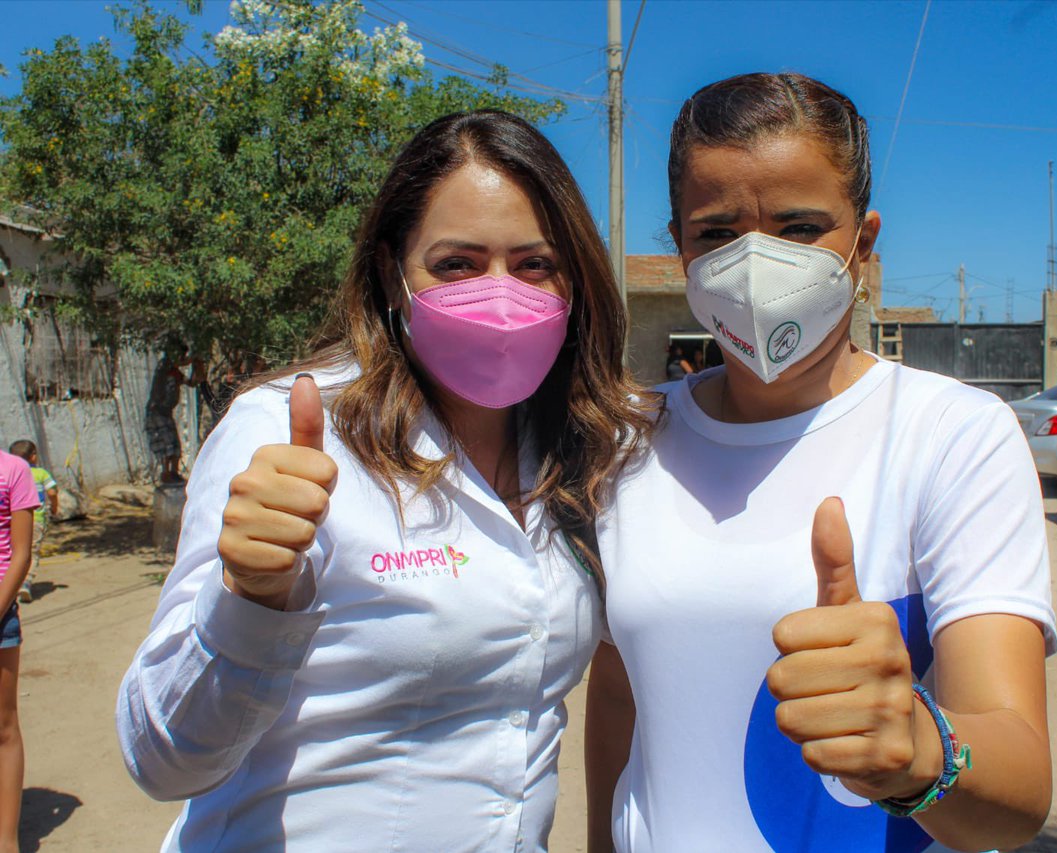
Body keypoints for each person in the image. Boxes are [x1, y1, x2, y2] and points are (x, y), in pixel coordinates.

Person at [117, 110, 652, 852]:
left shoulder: (582, 452)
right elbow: (161, 758)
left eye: (535, 264)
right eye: (457, 264)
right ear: (391, 274)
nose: (501, 297)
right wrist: (249, 598)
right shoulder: (287, 431)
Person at [586, 72, 1056, 853]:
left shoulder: (952, 436)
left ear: (863, 245)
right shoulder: (630, 438)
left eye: (800, 228)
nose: (757, 264)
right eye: (717, 233)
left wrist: (920, 747)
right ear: (679, 246)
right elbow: (619, 691)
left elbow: (1018, 793)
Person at [0, 447, 39, 853]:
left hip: (1, 618)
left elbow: (20, 554)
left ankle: (7, 841)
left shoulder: (14, 470)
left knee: (3, 727)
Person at [144, 345, 205, 484]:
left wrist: (197, 367)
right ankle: (167, 474)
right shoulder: (164, 368)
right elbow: (181, 363)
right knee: (167, 443)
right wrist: (192, 359)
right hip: (157, 411)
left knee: (174, 444)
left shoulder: (175, 372)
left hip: (165, 412)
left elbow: (191, 382)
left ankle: (173, 472)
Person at [7, 441, 58, 604]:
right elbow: (51, 492)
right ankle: (25, 582)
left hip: (13, 520)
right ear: (33, 456)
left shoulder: (8, 472)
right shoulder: (41, 473)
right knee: (31, 552)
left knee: (12, 552)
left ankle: (10, 584)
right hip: (36, 519)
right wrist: (55, 508)